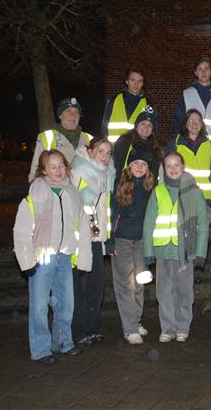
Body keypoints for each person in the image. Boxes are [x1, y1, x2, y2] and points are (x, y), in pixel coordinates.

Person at [13, 150, 92, 364]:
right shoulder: (34, 195)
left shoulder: (73, 194)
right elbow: (21, 231)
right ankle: (40, 349)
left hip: (65, 256)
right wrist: (27, 262)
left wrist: (84, 258)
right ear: (44, 170)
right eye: (52, 166)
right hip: (42, 258)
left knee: (66, 304)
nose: (58, 170)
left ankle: (63, 342)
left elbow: (83, 227)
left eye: (61, 165)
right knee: (39, 306)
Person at [143, 152, 209, 343]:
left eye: (176, 165)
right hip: (163, 250)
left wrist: (201, 252)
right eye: (168, 166)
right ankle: (168, 328)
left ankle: (182, 326)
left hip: (185, 252)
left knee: (184, 291)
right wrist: (148, 251)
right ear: (164, 169)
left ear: (183, 167)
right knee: (164, 291)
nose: (172, 169)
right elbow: (149, 222)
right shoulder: (158, 191)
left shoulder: (195, 192)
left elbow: (203, 224)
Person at [105, 149, 155, 345]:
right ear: (129, 166)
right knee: (126, 284)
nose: (140, 167)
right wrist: (109, 240)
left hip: (141, 241)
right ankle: (129, 328)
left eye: (143, 164)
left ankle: (136, 319)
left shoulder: (151, 187)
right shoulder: (120, 186)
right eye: (136, 164)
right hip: (122, 240)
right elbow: (111, 215)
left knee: (140, 282)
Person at [70, 137, 116, 347]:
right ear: (90, 152)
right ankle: (79, 331)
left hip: (97, 238)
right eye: (101, 152)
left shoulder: (107, 175)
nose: (105, 157)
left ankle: (92, 327)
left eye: (108, 153)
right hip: (80, 238)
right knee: (80, 286)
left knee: (96, 287)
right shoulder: (77, 172)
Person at [28, 98, 93, 182]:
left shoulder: (89, 139)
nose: (73, 115)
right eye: (68, 111)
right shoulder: (47, 137)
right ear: (60, 115)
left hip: (82, 193)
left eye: (76, 112)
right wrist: (34, 188)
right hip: (55, 192)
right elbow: (36, 169)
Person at [173, 56, 211, 150]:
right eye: (200, 69)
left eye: (206, 68)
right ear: (195, 73)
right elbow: (178, 122)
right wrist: (178, 144)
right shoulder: (186, 95)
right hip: (192, 148)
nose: (203, 72)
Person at [165, 109, 211, 203]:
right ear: (185, 124)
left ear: (202, 124)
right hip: (182, 196)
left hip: (205, 198)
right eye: (190, 120)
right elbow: (167, 172)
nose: (194, 124)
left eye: (198, 120)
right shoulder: (175, 144)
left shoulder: (209, 145)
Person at [102, 69, 154, 143]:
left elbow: (152, 133)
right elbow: (104, 128)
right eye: (133, 80)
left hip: (136, 151)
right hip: (114, 149)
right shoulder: (113, 101)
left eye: (139, 81)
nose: (136, 84)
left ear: (143, 83)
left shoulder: (148, 105)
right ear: (127, 81)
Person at [112, 106, 161, 180]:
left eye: (149, 125)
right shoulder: (124, 142)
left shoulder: (154, 147)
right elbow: (117, 166)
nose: (145, 127)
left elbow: (154, 172)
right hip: (125, 186)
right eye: (142, 123)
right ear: (137, 125)